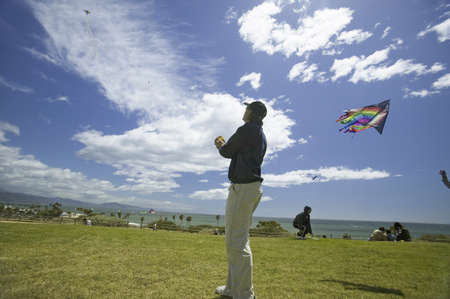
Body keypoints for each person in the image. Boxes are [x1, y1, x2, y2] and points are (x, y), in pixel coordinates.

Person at [214, 101, 267, 299]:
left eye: (247, 108)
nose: (244, 111)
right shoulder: (258, 134)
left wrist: (220, 144)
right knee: (234, 240)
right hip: (248, 188)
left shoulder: (248, 129)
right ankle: (232, 289)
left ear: (252, 112)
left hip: (244, 188)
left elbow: (227, 151)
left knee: (237, 242)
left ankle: (244, 294)